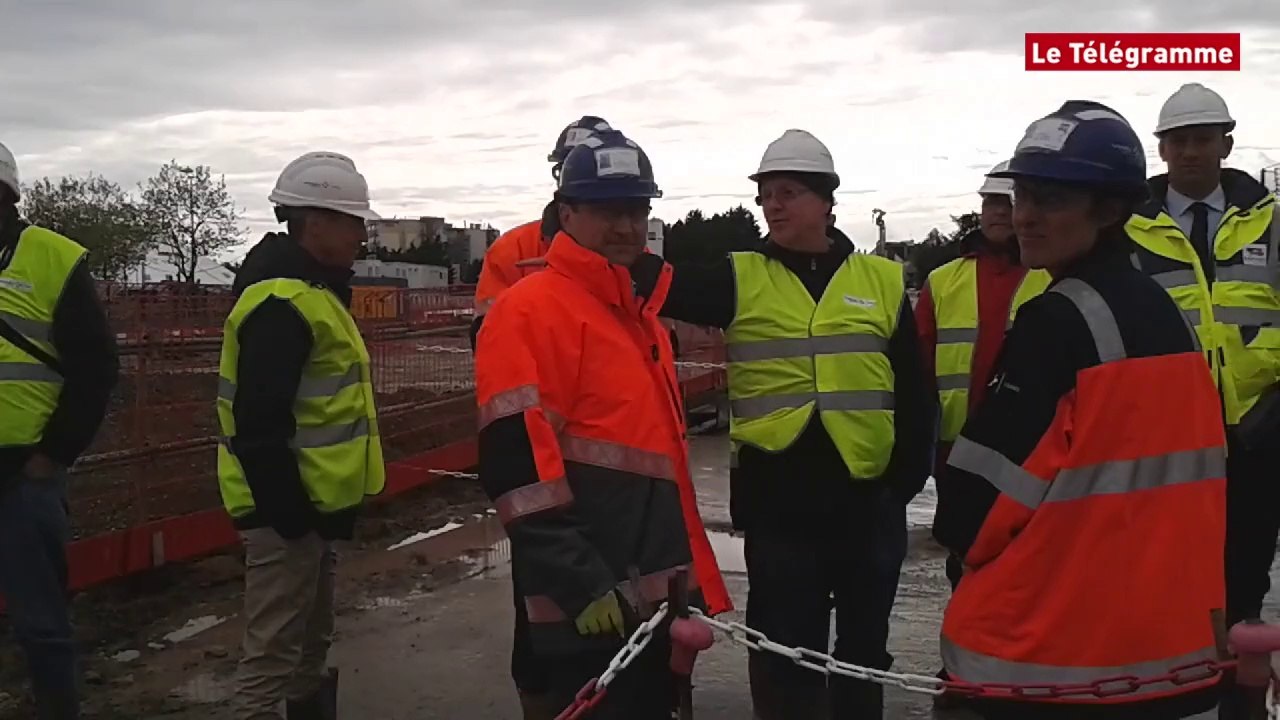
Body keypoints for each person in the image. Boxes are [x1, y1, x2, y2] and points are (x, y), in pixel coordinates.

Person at [933, 101, 1227, 720]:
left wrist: (957, 533)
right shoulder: (1164, 312)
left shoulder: (1057, 322)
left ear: (1111, 210)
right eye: (1022, 196)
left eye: (1052, 199)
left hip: (1044, 655)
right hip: (1167, 652)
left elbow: (978, 511)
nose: (1026, 216)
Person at [630, 128, 934, 719]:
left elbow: (913, 390)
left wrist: (903, 482)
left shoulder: (879, 280)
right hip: (780, 503)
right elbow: (648, 279)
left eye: (788, 193)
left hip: (868, 501)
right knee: (786, 654)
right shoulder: (739, 275)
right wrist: (591, 224)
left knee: (864, 653)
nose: (773, 205)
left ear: (826, 200)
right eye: (766, 195)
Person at [474, 129, 731, 719]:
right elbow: (516, 465)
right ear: (567, 214)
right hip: (591, 606)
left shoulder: (634, 315)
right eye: (607, 211)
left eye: (636, 211)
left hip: (649, 598)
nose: (625, 227)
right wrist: (580, 583)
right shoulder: (532, 310)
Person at [1124, 83, 1279, 719]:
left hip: (1258, 431)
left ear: (1226, 145)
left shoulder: (1271, 221)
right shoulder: (1129, 229)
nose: (1191, 152)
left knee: (1245, 577)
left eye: (1203, 139)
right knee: (1164, 574)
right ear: (1161, 150)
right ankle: (1177, 699)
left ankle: (1240, 702)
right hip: (1167, 433)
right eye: (1179, 141)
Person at [216, 151, 386, 720]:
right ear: (316, 223)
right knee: (272, 658)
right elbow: (258, 424)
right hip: (284, 514)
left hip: (310, 510)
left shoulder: (311, 293)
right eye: (353, 222)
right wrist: (291, 516)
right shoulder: (281, 303)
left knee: (307, 649)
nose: (362, 235)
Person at [468, 114, 613, 720]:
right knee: (539, 605)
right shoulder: (515, 250)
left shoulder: (626, 244)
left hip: (612, 453)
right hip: (541, 445)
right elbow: (492, 344)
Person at [0, 141, 119, 719]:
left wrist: (53, 455)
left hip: (24, 475)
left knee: (40, 620)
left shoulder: (52, 258)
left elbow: (96, 368)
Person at [916, 161, 1052, 591]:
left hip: (1035, 453)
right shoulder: (943, 282)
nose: (998, 212)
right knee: (966, 560)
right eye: (991, 202)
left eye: (1008, 202)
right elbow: (918, 372)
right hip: (957, 452)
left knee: (1034, 564)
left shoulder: (1054, 276)